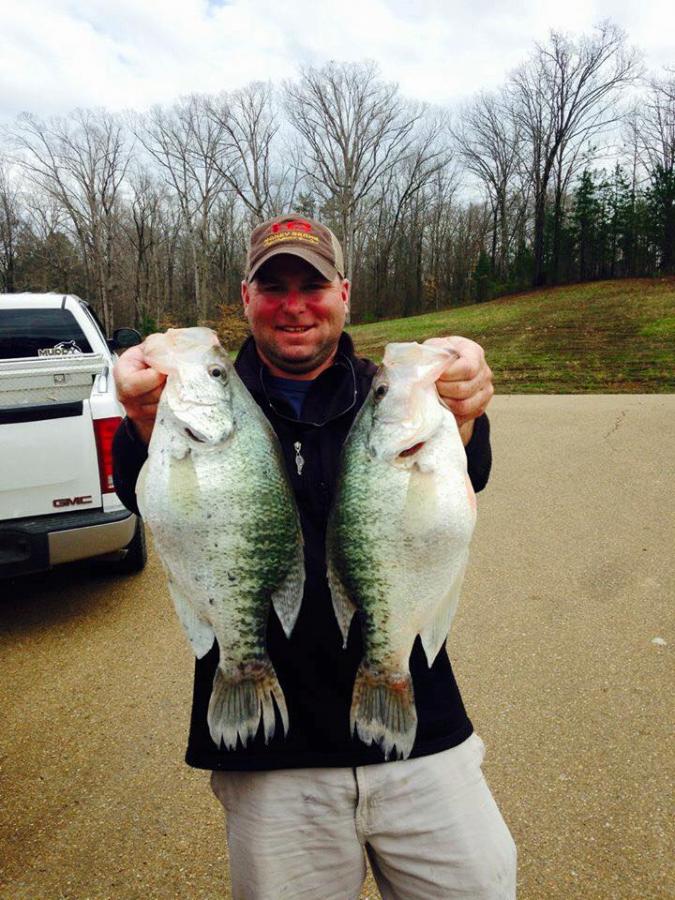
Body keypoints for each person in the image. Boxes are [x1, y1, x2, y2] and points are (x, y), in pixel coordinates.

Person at [112, 214, 516, 899]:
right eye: (273, 287)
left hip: (420, 733)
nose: (293, 304)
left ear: (344, 294)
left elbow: (455, 487)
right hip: (273, 758)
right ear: (246, 298)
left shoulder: (386, 393)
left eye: (313, 284)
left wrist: (466, 413)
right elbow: (155, 500)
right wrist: (145, 422)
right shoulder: (191, 402)